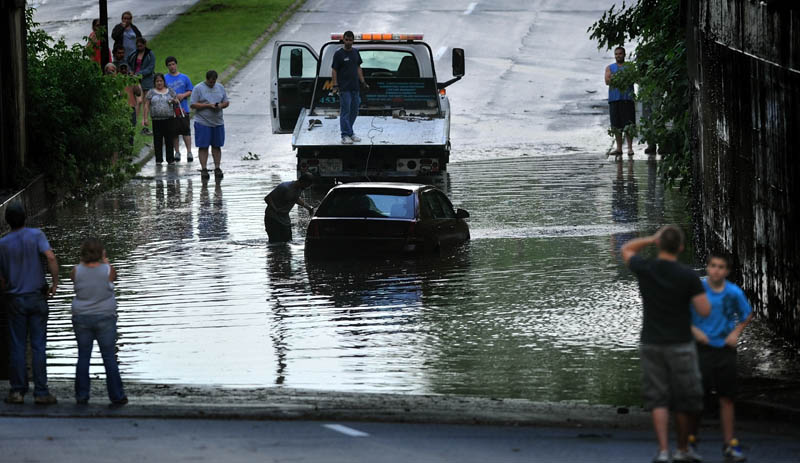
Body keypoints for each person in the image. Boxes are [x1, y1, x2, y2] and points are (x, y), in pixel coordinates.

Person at [621, 225, 711, 463]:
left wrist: (651, 239)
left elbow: (627, 248)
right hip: (680, 342)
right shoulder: (688, 275)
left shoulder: (646, 268)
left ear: (660, 245)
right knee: (684, 398)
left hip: (651, 341)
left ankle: (663, 451)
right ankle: (682, 449)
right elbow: (704, 310)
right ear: (681, 248)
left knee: (658, 398)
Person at [689, 253, 753, 462]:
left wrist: (735, 333)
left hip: (725, 349)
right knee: (699, 397)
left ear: (726, 271)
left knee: (727, 398)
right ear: (707, 268)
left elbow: (747, 315)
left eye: (721, 267)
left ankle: (729, 444)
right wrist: (695, 331)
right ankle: (691, 441)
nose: (716, 270)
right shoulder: (697, 289)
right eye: (713, 266)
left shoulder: (733, 292)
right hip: (702, 349)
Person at [0, 202, 59, 405]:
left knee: (17, 345)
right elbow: (50, 257)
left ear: (7, 221)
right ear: (26, 217)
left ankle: (17, 392)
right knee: (38, 346)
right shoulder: (37, 235)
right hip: (37, 297)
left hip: (15, 299)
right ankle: (41, 392)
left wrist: (6, 290)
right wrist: (54, 284)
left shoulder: (3, 243)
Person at [69, 238, 127, 406]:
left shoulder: (75, 271)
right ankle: (116, 396)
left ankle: (81, 395)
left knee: (83, 356)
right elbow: (113, 278)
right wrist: (105, 261)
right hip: (105, 317)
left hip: (81, 318)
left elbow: (78, 279)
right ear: (102, 252)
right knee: (109, 357)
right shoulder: (108, 270)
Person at [331, 30, 369, 144]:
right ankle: (344, 135)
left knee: (354, 111)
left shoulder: (355, 53)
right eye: (346, 39)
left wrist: (363, 82)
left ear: (353, 40)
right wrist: (335, 85)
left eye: (350, 40)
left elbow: (358, 67)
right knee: (345, 111)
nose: (348, 42)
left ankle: (350, 132)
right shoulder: (339, 54)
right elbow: (334, 70)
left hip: (355, 87)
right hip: (344, 88)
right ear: (343, 39)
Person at [190, 70, 229, 180]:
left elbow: (226, 102)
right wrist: (207, 106)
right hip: (203, 122)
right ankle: (204, 169)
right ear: (206, 79)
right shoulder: (198, 88)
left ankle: (217, 167)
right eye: (210, 81)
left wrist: (220, 105)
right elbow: (193, 104)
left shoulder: (220, 87)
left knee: (217, 146)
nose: (212, 83)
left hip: (218, 122)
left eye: (213, 81)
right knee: (203, 146)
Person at [264, 174, 315, 243]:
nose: (307, 188)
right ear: (303, 181)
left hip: (285, 219)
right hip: (272, 218)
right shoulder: (285, 187)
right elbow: (267, 198)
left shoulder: (299, 188)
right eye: (307, 185)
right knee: (275, 243)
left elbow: (295, 198)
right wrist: (275, 209)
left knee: (288, 242)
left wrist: (308, 207)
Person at [605, 46, 635, 158]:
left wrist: (616, 77)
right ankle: (619, 148)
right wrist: (621, 77)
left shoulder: (630, 67)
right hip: (614, 99)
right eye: (616, 54)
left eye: (620, 54)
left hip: (627, 99)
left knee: (629, 125)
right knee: (616, 125)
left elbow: (634, 78)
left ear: (624, 54)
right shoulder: (609, 67)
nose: (618, 56)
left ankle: (630, 148)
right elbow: (607, 81)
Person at [143, 73, 178, 164]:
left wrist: (174, 101)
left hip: (169, 119)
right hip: (156, 120)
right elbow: (146, 105)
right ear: (154, 82)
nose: (159, 83)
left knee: (169, 139)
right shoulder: (151, 92)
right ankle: (158, 159)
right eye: (157, 81)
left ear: (164, 82)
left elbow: (177, 101)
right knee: (157, 140)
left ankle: (170, 159)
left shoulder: (170, 91)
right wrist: (145, 118)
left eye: (161, 81)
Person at [164, 56, 194, 162]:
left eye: (173, 64)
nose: (172, 67)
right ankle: (177, 152)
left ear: (176, 64)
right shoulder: (165, 78)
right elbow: (162, 92)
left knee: (186, 131)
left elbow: (191, 90)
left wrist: (183, 95)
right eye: (169, 65)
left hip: (183, 109)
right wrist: (171, 99)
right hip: (171, 110)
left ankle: (189, 152)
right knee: (174, 132)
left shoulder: (184, 77)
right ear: (167, 67)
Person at [127, 36, 155, 135]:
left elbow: (151, 68)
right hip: (136, 80)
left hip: (147, 80)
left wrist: (140, 74)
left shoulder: (150, 54)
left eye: (141, 45)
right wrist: (131, 72)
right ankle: (135, 121)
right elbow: (128, 63)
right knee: (138, 101)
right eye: (138, 45)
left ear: (144, 44)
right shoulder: (133, 54)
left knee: (146, 101)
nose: (139, 47)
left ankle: (144, 121)